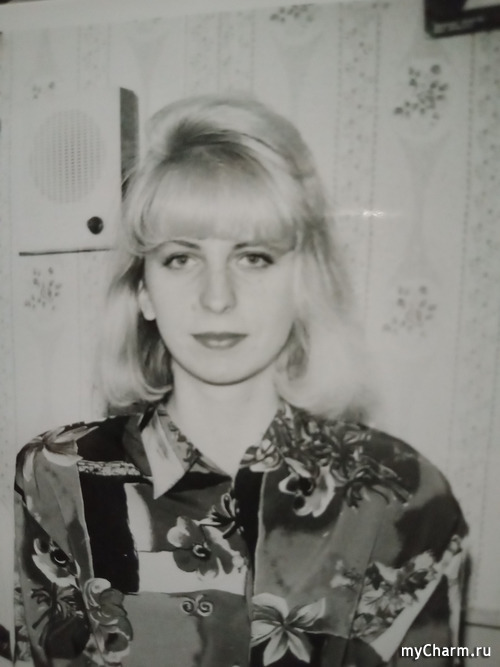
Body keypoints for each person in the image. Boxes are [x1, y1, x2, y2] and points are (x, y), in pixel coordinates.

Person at [13, 94, 467, 667]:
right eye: (181, 258)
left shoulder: (402, 496)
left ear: (302, 283)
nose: (217, 297)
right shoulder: (57, 476)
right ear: (143, 291)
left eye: (253, 257)